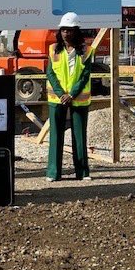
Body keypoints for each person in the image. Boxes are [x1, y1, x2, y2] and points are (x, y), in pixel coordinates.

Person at [46, 12, 94, 182]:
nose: (66, 33)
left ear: (76, 31)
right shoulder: (53, 49)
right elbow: (50, 73)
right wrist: (61, 94)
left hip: (78, 98)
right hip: (57, 99)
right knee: (56, 136)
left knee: (79, 136)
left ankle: (82, 172)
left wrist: (72, 94)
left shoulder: (86, 51)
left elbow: (85, 75)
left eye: (70, 30)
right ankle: (53, 173)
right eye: (63, 30)